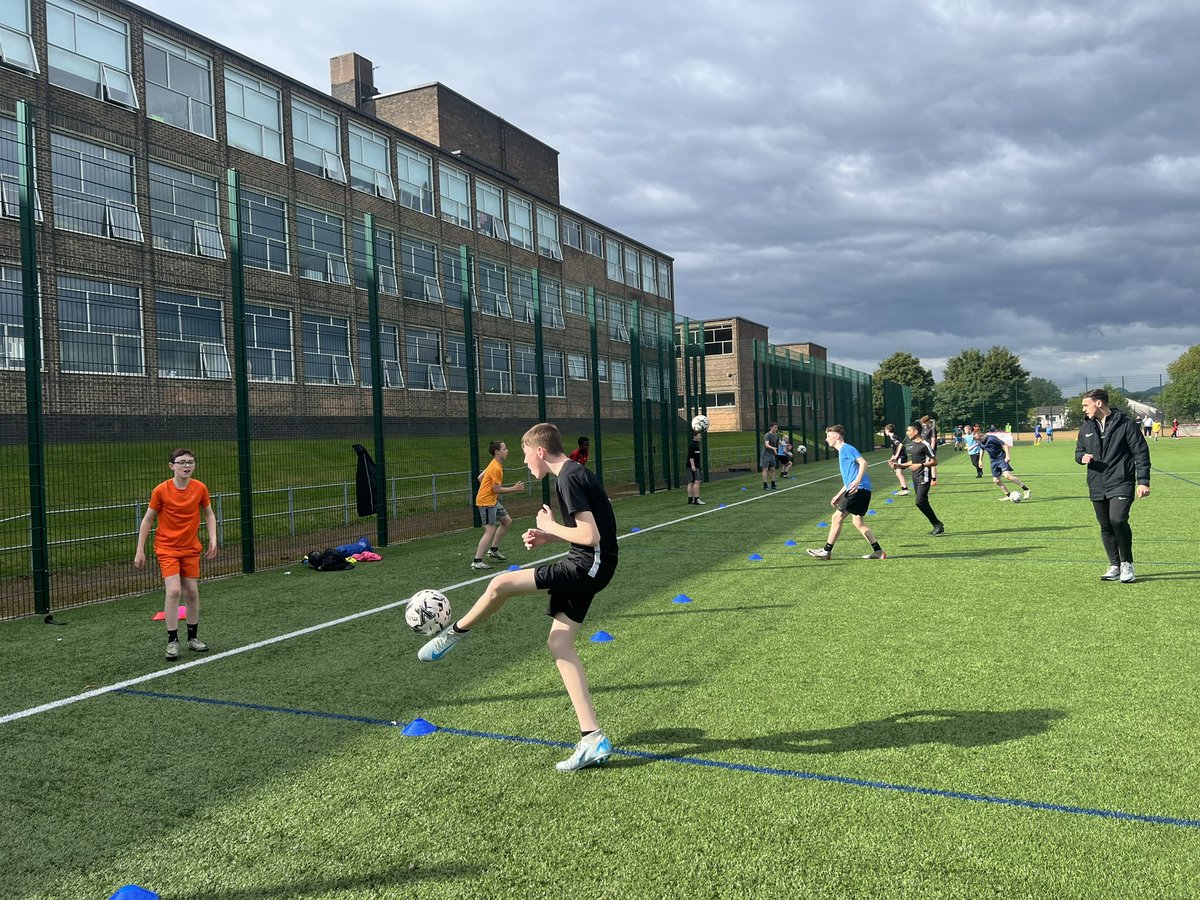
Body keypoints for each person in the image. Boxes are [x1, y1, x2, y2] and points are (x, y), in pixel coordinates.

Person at [419, 423, 619, 772]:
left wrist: (550, 526)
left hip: (588, 565)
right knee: (559, 644)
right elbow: (596, 532)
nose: (524, 461)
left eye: (525, 454)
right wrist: (548, 537)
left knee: (500, 585)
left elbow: (590, 535)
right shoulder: (574, 473)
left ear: (540, 451)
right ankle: (592, 738)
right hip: (593, 563)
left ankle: (453, 634)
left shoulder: (567, 478)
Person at [134, 448, 218, 660]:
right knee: (173, 592)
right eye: (181, 462)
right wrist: (139, 550)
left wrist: (213, 539)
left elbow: (209, 514)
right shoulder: (161, 490)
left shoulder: (200, 488)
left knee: (191, 591)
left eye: (190, 462)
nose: (186, 465)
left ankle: (193, 638)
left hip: (190, 549)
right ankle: (172, 641)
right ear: (172, 466)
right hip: (167, 549)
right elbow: (147, 519)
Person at [1077, 389, 1151, 583]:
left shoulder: (1126, 424)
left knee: (1117, 519)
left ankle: (1127, 564)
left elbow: (1141, 453)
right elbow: (1079, 452)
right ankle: (1114, 565)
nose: (1083, 409)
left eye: (1086, 405)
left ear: (1098, 403)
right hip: (1096, 483)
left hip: (1121, 481)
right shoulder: (1086, 427)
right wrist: (1081, 457)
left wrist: (1143, 481)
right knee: (1106, 525)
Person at [806, 425, 886, 560]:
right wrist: (838, 495)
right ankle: (878, 552)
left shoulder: (846, 448)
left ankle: (826, 551)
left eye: (828, 436)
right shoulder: (842, 451)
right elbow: (850, 478)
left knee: (836, 518)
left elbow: (863, 463)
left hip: (858, 489)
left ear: (836, 436)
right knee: (858, 522)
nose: (826, 439)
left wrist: (857, 481)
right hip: (861, 489)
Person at [472, 441, 525, 570]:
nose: (507, 451)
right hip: (487, 502)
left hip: (491, 500)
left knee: (507, 521)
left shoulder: (494, 464)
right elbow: (496, 489)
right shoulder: (496, 468)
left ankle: (493, 550)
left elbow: (480, 478)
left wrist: (488, 491)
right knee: (490, 530)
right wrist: (514, 488)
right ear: (497, 452)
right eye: (504, 449)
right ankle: (477, 561)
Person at [896, 423, 944, 535]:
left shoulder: (925, 444)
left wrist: (921, 465)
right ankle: (937, 525)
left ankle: (937, 523)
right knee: (923, 502)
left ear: (916, 431)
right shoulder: (913, 444)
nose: (907, 433)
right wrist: (899, 465)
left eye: (909, 431)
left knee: (919, 502)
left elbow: (935, 461)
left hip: (924, 476)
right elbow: (914, 462)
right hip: (915, 476)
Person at [979, 428, 1030, 501]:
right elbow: (982, 449)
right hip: (993, 461)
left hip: (1001, 459)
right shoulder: (981, 442)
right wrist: (980, 460)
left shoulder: (992, 439)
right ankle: (1008, 495)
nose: (979, 441)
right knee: (996, 481)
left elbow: (1005, 445)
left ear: (982, 435)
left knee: (1007, 476)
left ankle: (1026, 490)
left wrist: (1007, 456)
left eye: (979, 439)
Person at [882, 424, 909, 495]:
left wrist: (896, 456)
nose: (885, 432)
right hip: (900, 457)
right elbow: (895, 450)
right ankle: (904, 488)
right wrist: (892, 459)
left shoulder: (893, 438)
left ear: (888, 430)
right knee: (898, 472)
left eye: (885, 430)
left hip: (901, 457)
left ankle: (905, 489)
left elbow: (900, 445)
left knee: (898, 473)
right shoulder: (893, 437)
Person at [686, 430, 705, 505]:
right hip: (693, 466)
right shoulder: (693, 445)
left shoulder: (696, 444)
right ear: (695, 436)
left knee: (691, 482)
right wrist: (693, 465)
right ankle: (696, 499)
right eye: (699, 435)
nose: (700, 437)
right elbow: (691, 456)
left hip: (693, 466)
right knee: (697, 481)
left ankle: (690, 499)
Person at [760, 423, 781, 490]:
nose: (776, 429)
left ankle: (773, 484)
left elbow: (780, 442)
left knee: (773, 469)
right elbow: (766, 445)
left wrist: (786, 445)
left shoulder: (777, 435)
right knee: (765, 469)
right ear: (771, 427)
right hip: (765, 454)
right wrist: (773, 448)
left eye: (777, 427)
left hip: (772, 455)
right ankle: (765, 485)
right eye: (775, 427)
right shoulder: (767, 435)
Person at [919, 416, 938, 484]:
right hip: (923, 448)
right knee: (924, 462)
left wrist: (931, 450)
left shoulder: (932, 429)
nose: (923, 424)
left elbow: (933, 440)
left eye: (924, 422)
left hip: (930, 448)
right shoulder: (923, 428)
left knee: (932, 463)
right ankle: (925, 477)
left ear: (928, 421)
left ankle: (934, 479)